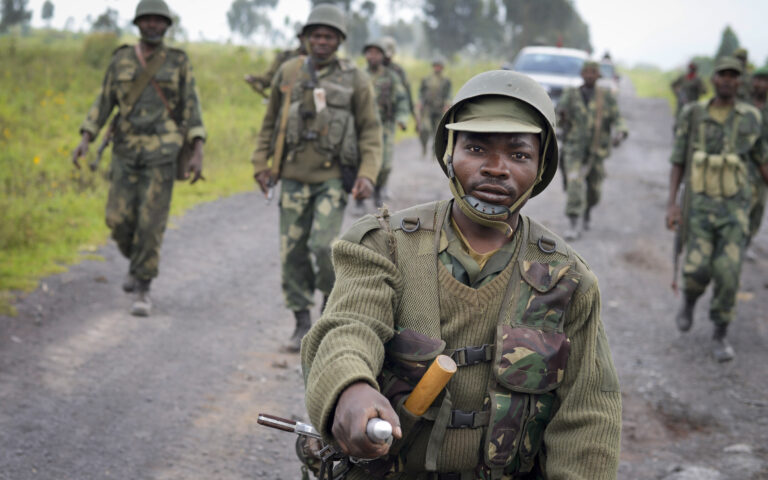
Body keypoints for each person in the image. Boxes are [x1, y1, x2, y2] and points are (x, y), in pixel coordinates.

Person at [301, 70, 622, 479]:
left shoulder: (568, 279)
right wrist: (350, 386)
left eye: (519, 155)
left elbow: (587, 417)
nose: (496, 168)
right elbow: (348, 326)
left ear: (542, 167)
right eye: (476, 147)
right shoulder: (385, 245)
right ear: (449, 153)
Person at [251, 4, 382, 353]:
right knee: (291, 251)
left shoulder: (354, 78)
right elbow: (271, 122)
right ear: (306, 38)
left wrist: (367, 175)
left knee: (324, 246)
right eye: (316, 35)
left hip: (331, 177)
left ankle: (327, 307)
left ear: (339, 41)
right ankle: (300, 321)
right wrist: (260, 163)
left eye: (329, 36)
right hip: (292, 175)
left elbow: (371, 131)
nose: (321, 41)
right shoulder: (288, 71)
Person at [71, 0, 206, 317]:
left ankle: (144, 286)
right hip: (125, 149)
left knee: (151, 222)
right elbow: (104, 100)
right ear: (138, 23)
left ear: (167, 25)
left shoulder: (178, 61)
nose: (153, 26)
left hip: (163, 151)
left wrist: (197, 149)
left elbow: (191, 106)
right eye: (147, 20)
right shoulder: (121, 59)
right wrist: (86, 137)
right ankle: (137, 262)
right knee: (117, 219)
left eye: (159, 21)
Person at [666, 56, 768, 362]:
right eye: (722, 74)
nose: (727, 79)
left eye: (733, 75)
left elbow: (762, 160)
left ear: (740, 82)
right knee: (697, 270)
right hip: (698, 207)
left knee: (728, 274)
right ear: (714, 79)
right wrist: (672, 204)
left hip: (736, 211)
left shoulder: (751, 117)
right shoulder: (693, 114)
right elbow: (678, 160)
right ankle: (689, 300)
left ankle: (720, 332)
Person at [557, 60, 627, 240]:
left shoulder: (606, 96)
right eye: (586, 72)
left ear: (598, 75)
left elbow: (617, 118)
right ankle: (574, 223)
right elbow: (558, 117)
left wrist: (620, 133)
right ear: (581, 74)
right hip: (574, 149)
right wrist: (561, 120)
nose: (589, 75)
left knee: (594, 191)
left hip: (596, 152)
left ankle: (587, 209)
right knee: (574, 183)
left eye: (592, 72)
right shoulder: (571, 95)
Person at [359, 39, 409, 208]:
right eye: (369, 52)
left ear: (382, 56)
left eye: (377, 52)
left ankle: (378, 190)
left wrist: (402, 118)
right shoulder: (359, 76)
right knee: (360, 160)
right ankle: (359, 197)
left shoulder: (391, 77)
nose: (373, 56)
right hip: (362, 126)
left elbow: (402, 99)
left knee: (385, 163)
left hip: (385, 127)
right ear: (365, 55)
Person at [244, 26, 307, 98]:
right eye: (304, 37)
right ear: (300, 38)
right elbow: (270, 78)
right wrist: (255, 79)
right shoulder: (285, 57)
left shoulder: (319, 62)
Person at [746, 66, 768, 253]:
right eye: (758, 80)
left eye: (765, 81)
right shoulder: (741, 105)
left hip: (762, 172)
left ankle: (746, 243)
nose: (761, 85)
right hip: (740, 168)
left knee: (756, 213)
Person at [380, 36, 418, 130]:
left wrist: (414, 118)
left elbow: (407, 94)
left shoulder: (398, 71)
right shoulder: (372, 70)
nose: (387, 58)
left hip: (390, 116)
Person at [418, 56, 451, 157]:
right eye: (436, 66)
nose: (437, 68)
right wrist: (419, 102)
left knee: (437, 132)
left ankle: (434, 152)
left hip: (439, 109)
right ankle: (424, 148)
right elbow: (421, 92)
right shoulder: (426, 79)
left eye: (439, 66)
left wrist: (447, 104)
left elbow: (448, 94)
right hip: (427, 108)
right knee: (424, 129)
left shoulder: (446, 81)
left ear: (442, 67)